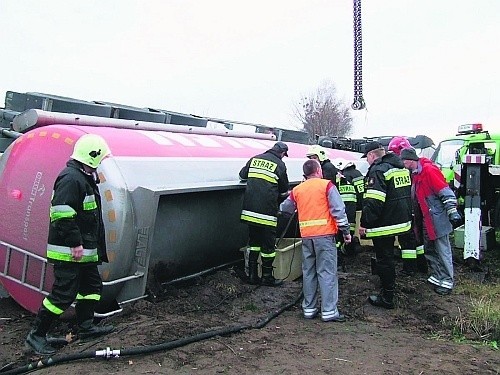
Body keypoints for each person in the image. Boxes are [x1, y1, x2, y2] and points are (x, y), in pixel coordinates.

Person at [25, 134, 114, 356]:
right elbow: (62, 214)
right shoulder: (71, 179)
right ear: (91, 158)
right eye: (100, 158)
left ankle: (85, 327)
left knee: (91, 288)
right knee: (63, 295)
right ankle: (36, 336)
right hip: (69, 253)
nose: (102, 162)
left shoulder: (84, 177)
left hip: (83, 253)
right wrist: (75, 243)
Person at [279, 159, 351, 322]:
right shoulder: (327, 186)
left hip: (306, 237)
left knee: (309, 272)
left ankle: (309, 309)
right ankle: (329, 311)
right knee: (326, 272)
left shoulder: (298, 189)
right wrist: (346, 232)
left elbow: (285, 209)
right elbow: (338, 210)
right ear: (318, 170)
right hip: (324, 236)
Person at [400, 148, 461, 296]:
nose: (402, 163)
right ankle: (437, 276)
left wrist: (452, 211)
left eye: (403, 160)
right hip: (427, 220)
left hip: (437, 219)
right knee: (430, 249)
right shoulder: (416, 174)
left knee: (442, 250)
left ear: (409, 160)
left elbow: (445, 191)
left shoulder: (429, 171)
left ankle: (447, 280)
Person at [358, 141, 412, 309]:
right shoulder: (400, 168)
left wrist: (365, 223)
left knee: (385, 259)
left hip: (384, 224)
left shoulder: (378, 170)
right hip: (401, 221)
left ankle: (387, 297)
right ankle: (390, 288)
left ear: (371, 155)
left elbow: (374, 202)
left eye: (366, 158)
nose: (367, 161)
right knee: (388, 259)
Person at [239, 141, 290, 287]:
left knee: (254, 243)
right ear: (282, 153)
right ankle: (267, 276)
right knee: (268, 247)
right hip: (267, 213)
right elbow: (283, 190)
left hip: (249, 211)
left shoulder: (254, 159)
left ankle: (252, 275)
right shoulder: (280, 165)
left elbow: (242, 175)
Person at [388, 136, 427, 276]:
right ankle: (422, 263)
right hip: (415, 206)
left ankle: (410, 268)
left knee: (408, 239)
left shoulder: (402, 169)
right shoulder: (410, 167)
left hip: (407, 208)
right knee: (417, 238)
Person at [333, 158, 364, 257]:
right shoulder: (358, 173)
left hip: (345, 209)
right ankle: (349, 248)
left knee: (342, 234)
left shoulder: (345, 177)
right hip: (355, 207)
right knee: (351, 228)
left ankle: (344, 250)